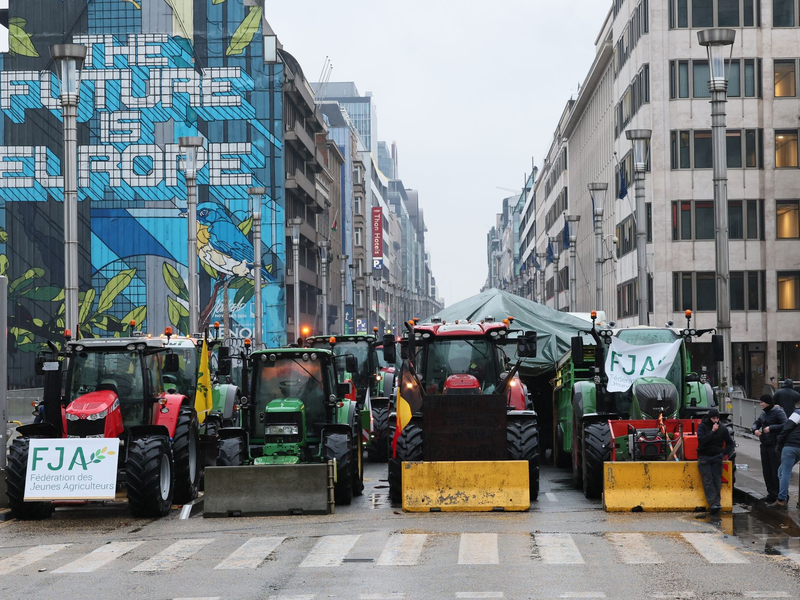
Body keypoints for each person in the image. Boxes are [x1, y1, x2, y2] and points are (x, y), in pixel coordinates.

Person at [697, 408, 735, 514]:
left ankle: (717, 503)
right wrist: (712, 432)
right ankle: (712, 503)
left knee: (717, 480)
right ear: (710, 418)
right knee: (708, 481)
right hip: (704, 457)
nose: (715, 420)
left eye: (717, 418)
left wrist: (722, 454)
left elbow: (730, 443)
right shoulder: (702, 427)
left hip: (716, 457)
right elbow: (702, 441)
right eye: (713, 418)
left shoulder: (722, 429)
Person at [751, 394, 788, 503]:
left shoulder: (778, 412)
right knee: (766, 470)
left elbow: (785, 424)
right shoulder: (764, 413)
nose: (760, 404)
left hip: (775, 444)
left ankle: (779, 494)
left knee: (775, 470)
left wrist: (771, 428)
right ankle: (771, 493)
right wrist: (755, 429)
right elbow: (757, 422)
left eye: (762, 402)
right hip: (765, 444)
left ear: (768, 402)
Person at [772, 405, 800, 509]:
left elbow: (787, 427)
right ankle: (783, 495)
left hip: (791, 446)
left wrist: (779, 444)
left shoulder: (798, 413)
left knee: (785, 472)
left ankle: (781, 499)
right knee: (781, 471)